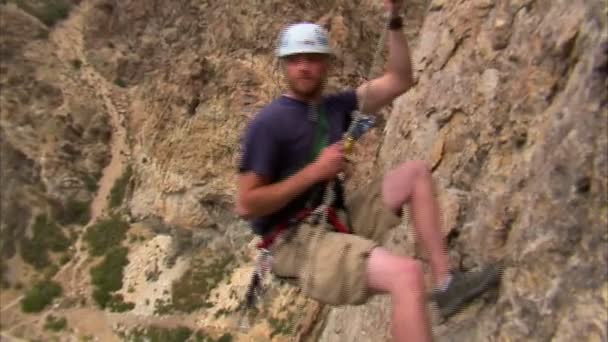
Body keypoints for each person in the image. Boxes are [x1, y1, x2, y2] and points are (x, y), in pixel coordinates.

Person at [235, 1, 500, 341]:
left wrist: (394, 21)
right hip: (295, 243)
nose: (304, 67)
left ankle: (447, 283)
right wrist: (316, 172)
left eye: (312, 59)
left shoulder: (337, 107)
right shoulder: (268, 125)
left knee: (416, 173)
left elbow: (401, 79)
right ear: (283, 65)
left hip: (333, 217)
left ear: (326, 64)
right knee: (406, 275)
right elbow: (246, 203)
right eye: (295, 60)